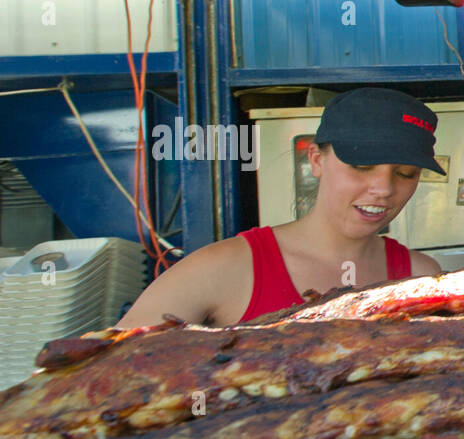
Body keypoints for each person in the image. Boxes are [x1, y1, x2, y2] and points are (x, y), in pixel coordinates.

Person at [118, 87, 445, 328]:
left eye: (405, 174)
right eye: (362, 167)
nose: (384, 189)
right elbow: (117, 368)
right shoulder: (223, 268)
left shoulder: (421, 276)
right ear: (316, 160)